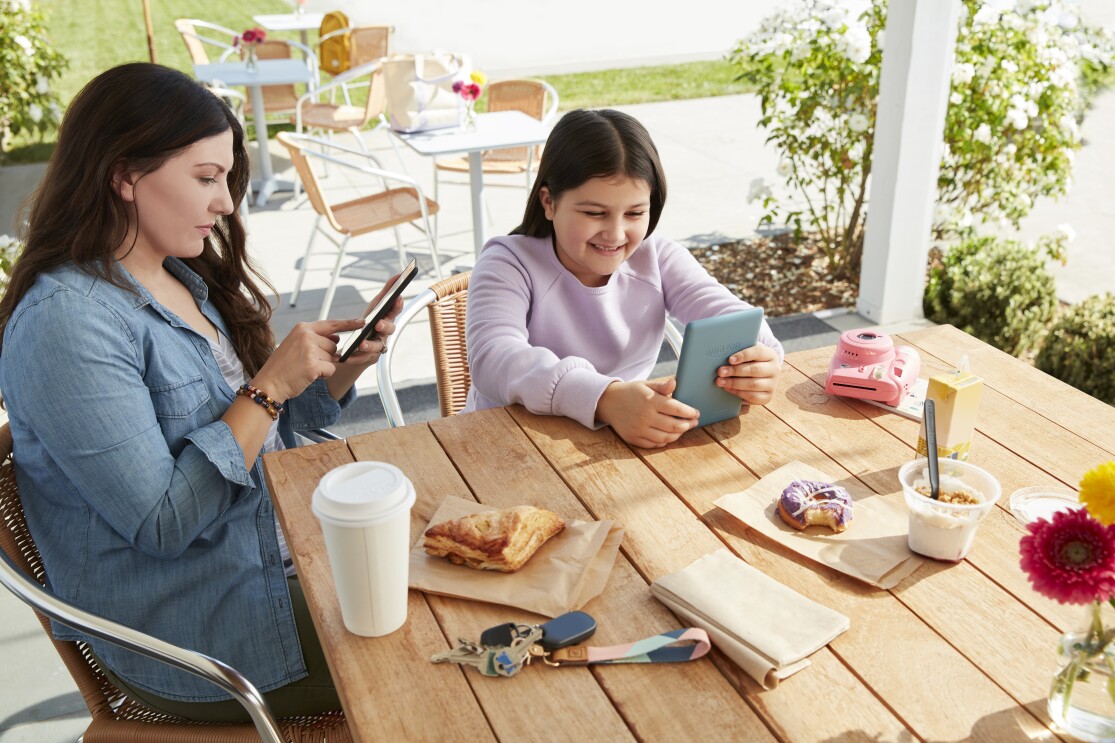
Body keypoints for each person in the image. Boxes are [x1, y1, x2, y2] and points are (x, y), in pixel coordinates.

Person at [0, 63, 399, 722]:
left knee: (462, 565)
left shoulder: (176, 277)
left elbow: (252, 438)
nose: (227, 204)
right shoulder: (66, 324)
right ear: (124, 173)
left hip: (273, 556)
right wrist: (268, 384)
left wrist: (333, 369)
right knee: (440, 630)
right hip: (200, 631)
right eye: (207, 179)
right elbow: (162, 522)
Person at [463, 108, 784, 448]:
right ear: (549, 202)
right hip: (505, 445)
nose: (615, 234)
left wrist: (760, 361)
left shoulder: (658, 256)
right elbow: (495, 358)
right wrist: (605, 398)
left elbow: (734, 318)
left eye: (635, 213)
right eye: (594, 213)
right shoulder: (507, 261)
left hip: (614, 443)